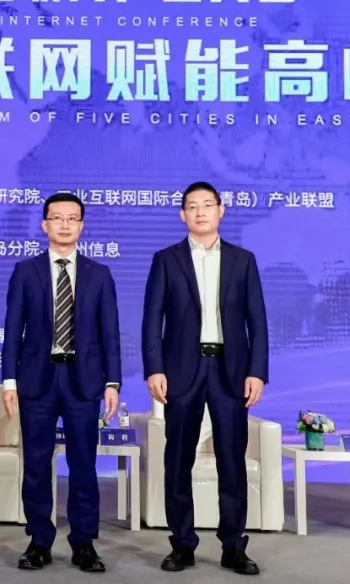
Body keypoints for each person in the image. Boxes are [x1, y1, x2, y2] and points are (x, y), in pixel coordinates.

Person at [141, 181, 268, 576]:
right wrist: (154, 368)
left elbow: (257, 322)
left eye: (207, 205)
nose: (200, 212)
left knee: (232, 461)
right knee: (178, 460)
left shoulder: (243, 260)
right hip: (182, 370)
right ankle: (182, 545)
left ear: (220, 210)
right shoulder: (166, 260)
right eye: (192, 206)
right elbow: (151, 321)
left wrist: (257, 371)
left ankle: (234, 546)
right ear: (183, 215)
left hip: (231, 371)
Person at [1, 192, 121, 573]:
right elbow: (12, 331)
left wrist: (112, 382)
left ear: (82, 226)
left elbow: (110, 334)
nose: (65, 225)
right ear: (44, 225)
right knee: (36, 464)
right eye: (57, 218)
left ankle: (83, 543)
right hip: (36, 381)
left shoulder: (99, 274)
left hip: (82, 381)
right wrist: (9, 382)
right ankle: (39, 541)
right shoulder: (26, 271)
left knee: (83, 464)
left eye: (72, 219)